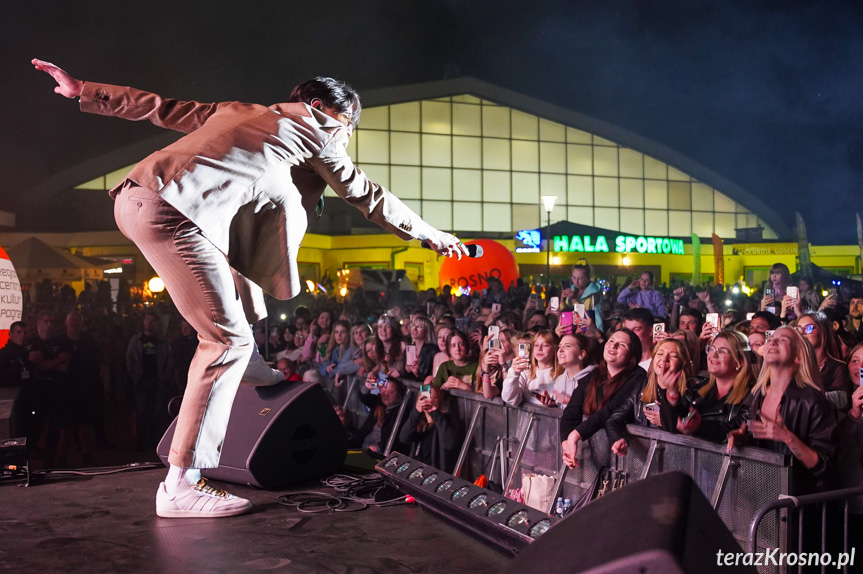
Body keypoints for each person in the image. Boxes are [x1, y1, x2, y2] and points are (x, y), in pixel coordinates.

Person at [33, 59, 467, 517]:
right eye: (348, 125)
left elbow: (162, 108)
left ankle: (251, 361)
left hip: (136, 197)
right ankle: (182, 482)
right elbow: (367, 194)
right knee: (224, 341)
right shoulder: (317, 131)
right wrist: (432, 235)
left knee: (236, 259)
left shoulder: (240, 111)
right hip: (175, 213)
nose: (347, 138)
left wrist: (85, 90)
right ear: (318, 107)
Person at [727, 326, 838, 493]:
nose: (773, 342)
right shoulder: (759, 394)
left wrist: (787, 437)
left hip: (800, 502)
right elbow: (766, 444)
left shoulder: (812, 400)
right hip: (763, 495)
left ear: (798, 357)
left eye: (783, 340)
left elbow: (826, 467)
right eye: (771, 339)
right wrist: (745, 439)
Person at [560, 329, 646, 468]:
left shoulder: (638, 377)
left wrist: (575, 435)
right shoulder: (594, 375)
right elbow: (571, 411)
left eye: (622, 344)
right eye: (611, 341)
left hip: (630, 457)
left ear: (632, 355)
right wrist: (566, 444)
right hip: (598, 457)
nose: (613, 346)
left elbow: (610, 409)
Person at [605, 338, 693, 456]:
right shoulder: (640, 388)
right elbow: (613, 420)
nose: (664, 359)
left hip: (677, 463)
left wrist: (665, 420)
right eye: (660, 353)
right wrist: (618, 439)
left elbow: (692, 432)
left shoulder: (690, 394)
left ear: (682, 363)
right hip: (645, 463)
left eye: (673, 356)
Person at [675, 330, 754, 443]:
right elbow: (677, 416)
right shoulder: (695, 389)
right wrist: (670, 395)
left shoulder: (752, 395)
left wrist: (700, 426)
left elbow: (735, 429)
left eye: (722, 351)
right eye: (711, 349)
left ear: (740, 362)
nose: (713, 355)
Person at [126, 311, 174, 450]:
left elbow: (169, 360)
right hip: (141, 380)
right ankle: (141, 440)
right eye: (147, 319)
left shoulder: (162, 341)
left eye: (152, 320)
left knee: (156, 411)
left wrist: (164, 376)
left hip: (157, 380)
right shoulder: (136, 340)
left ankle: (153, 440)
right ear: (143, 322)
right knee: (141, 411)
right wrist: (134, 375)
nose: (149, 322)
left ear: (156, 323)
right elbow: (129, 359)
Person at [796, 312, 852, 414]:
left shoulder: (838, 368)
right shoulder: (793, 365)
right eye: (799, 329)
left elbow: (840, 402)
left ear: (822, 331)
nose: (802, 333)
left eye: (808, 328)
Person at [398, 386, 461, 473]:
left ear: (440, 401)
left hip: (435, 474)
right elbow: (404, 438)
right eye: (425, 397)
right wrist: (416, 412)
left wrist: (435, 413)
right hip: (415, 471)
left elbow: (450, 444)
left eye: (434, 397)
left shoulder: (446, 419)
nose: (429, 401)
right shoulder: (420, 421)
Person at [501, 330, 562, 407]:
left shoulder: (563, 374)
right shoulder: (526, 371)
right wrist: (513, 373)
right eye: (536, 345)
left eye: (545, 345)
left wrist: (555, 404)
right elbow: (510, 399)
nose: (539, 348)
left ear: (555, 349)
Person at [561, 262, 605, 332]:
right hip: (573, 329)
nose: (576, 281)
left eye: (580, 278)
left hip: (592, 330)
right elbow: (564, 312)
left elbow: (583, 315)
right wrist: (562, 299)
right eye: (573, 278)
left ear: (588, 278)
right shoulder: (572, 289)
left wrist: (574, 299)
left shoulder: (594, 292)